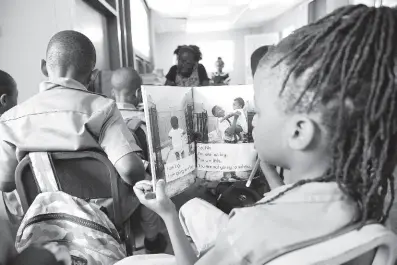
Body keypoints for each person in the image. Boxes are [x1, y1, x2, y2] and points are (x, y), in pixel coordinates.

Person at [129, 4, 397, 265]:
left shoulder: (250, 228)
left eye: (259, 111)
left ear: (299, 132)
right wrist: (268, 170)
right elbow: (298, 213)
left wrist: (167, 213)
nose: (253, 121)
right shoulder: (364, 204)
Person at [0, 31, 145, 228]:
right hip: (99, 222)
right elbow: (129, 170)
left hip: (41, 223)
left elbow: (5, 182)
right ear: (93, 75)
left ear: (44, 67)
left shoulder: (10, 119)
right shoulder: (104, 108)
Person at [111, 67, 167, 254]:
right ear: (138, 93)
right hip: (137, 185)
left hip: (110, 188)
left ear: (112, 93)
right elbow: (154, 159)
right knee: (151, 185)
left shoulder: (103, 121)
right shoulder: (142, 123)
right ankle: (152, 239)